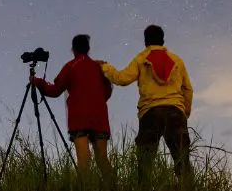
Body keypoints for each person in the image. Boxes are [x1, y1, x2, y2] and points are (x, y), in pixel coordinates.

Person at [100, 24, 193, 181]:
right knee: (182, 161)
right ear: (163, 40)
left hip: (150, 113)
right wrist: (184, 112)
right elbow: (188, 89)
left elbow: (122, 79)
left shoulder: (141, 59)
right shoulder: (177, 60)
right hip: (175, 111)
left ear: (145, 41)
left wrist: (105, 67)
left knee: (145, 162)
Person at [32, 34, 114, 178]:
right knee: (102, 160)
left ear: (73, 49)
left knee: (83, 160)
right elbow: (106, 93)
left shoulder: (70, 66)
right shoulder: (99, 67)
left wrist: (38, 82)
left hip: (79, 119)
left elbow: (55, 90)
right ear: (88, 49)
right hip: (100, 119)